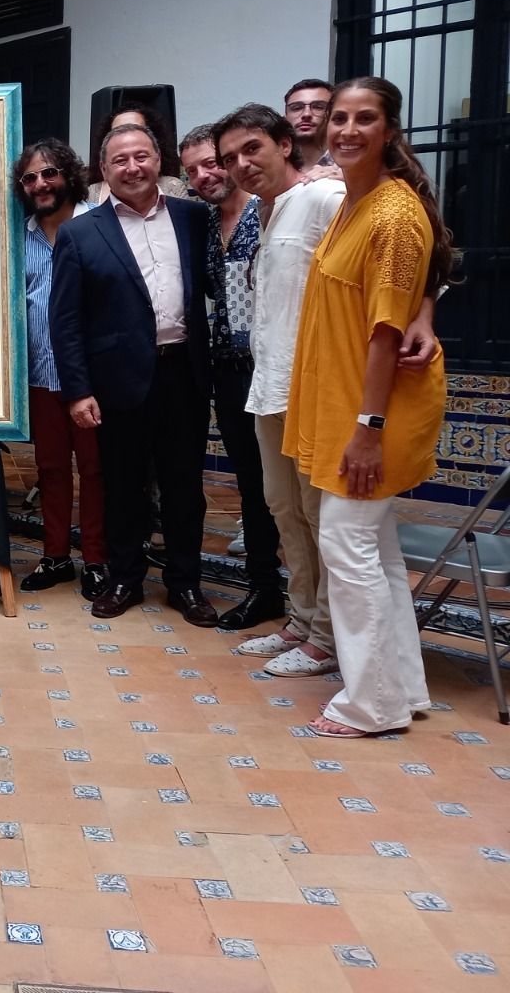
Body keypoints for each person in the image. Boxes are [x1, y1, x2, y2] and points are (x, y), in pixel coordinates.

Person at [216, 102, 439, 679]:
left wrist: (425, 312)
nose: (241, 165)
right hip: (270, 383)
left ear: (285, 144)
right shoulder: (261, 214)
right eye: (229, 158)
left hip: (320, 387)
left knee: (323, 519)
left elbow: (408, 260)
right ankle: (302, 618)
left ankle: (328, 638)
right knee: (283, 507)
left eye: (252, 150)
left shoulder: (327, 197)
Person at [283, 77, 449, 737]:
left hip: (375, 413)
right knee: (374, 553)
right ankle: (399, 689)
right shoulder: (358, 204)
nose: (348, 129)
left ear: (389, 131)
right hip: (350, 406)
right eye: (339, 118)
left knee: (346, 546)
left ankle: (371, 703)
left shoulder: (391, 216)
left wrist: (368, 430)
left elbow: (386, 332)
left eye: (364, 119)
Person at [50, 122, 218, 626]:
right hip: (116, 383)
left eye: (141, 156)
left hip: (183, 374)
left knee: (185, 486)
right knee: (122, 485)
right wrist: (78, 391)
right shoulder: (81, 232)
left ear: (158, 161)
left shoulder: (194, 218)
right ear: (103, 171)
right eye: (120, 160)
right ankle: (125, 578)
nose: (132, 167)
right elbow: (66, 320)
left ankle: (186, 583)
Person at [178, 123, 283, 628]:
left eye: (210, 163)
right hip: (225, 371)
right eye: (192, 170)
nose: (203, 175)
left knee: (286, 489)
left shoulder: (276, 210)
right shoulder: (200, 224)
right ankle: (267, 588)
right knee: (251, 482)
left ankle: (301, 600)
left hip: (278, 367)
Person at [14, 140, 107, 600]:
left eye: (48, 173)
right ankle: (55, 556)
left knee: (94, 471)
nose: (40, 184)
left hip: (90, 380)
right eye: (29, 178)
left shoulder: (101, 226)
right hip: (38, 377)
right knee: (50, 468)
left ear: (68, 175)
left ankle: (95, 559)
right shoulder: (19, 237)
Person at [86, 103, 187, 203]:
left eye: (137, 129)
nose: (128, 137)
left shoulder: (173, 187)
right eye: (118, 132)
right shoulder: (93, 193)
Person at [284, 78, 334, 170]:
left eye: (318, 107)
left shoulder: (349, 167)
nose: (306, 114)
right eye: (296, 108)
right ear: (285, 118)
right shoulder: (275, 168)